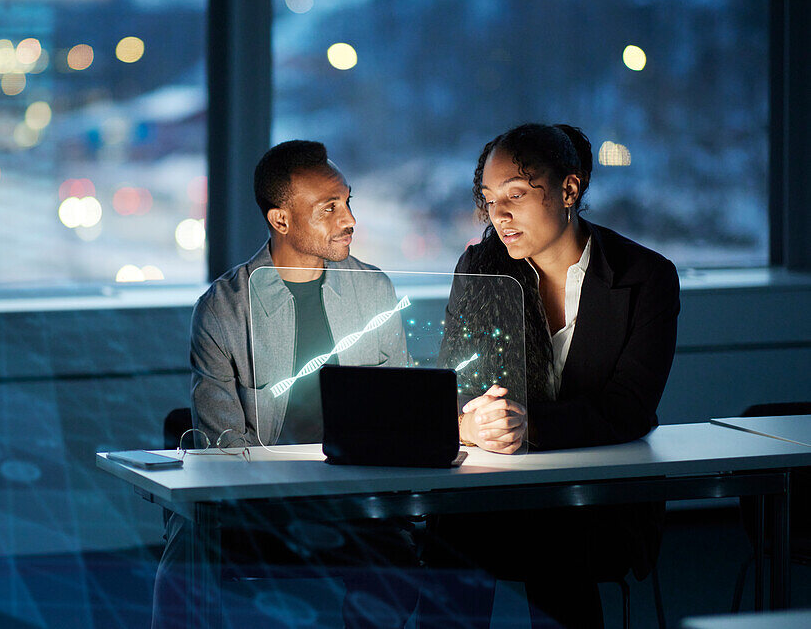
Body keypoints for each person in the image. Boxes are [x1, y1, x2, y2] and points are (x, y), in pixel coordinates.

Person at [152, 140, 420, 629]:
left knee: (413, 560)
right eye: (329, 208)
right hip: (259, 505)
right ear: (281, 220)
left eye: (348, 201)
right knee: (187, 555)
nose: (349, 219)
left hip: (355, 500)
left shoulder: (374, 288)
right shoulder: (223, 309)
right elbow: (224, 448)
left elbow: (400, 416)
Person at [425, 123, 681, 628]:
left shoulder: (646, 276)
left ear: (569, 189)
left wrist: (532, 427)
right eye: (489, 199)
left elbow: (629, 409)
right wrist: (470, 425)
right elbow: (453, 390)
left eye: (516, 195)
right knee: (448, 537)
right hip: (497, 495)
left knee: (554, 535)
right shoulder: (480, 268)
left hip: (599, 498)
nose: (498, 215)